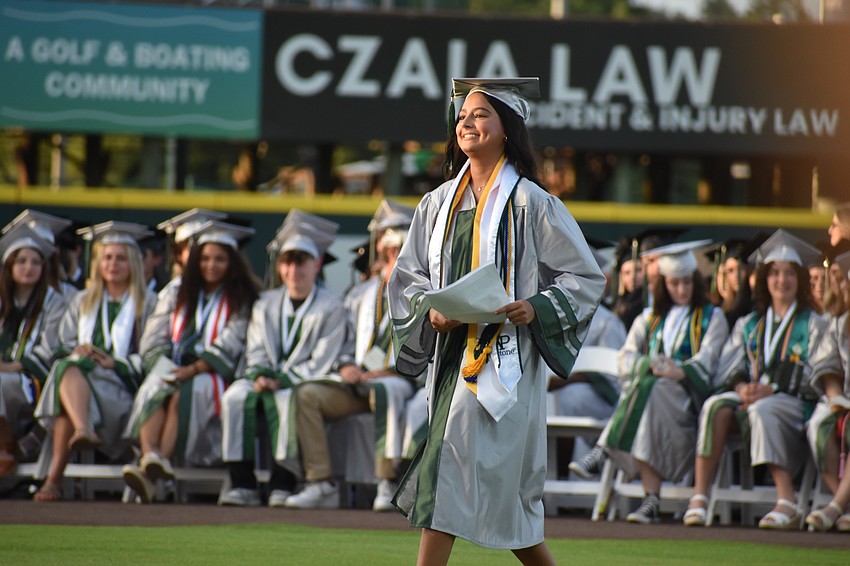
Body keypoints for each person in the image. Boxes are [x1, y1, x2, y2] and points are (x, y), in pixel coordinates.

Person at [388, 77, 605, 564]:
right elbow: (408, 278)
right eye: (462, 115)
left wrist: (537, 306)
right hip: (450, 359)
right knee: (491, 499)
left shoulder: (533, 203)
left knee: (451, 476)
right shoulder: (437, 204)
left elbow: (584, 277)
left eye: (481, 114)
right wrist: (433, 308)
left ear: (507, 128)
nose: (467, 121)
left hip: (505, 362)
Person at [684, 229, 825, 529]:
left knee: (763, 409)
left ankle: (786, 501)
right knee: (714, 405)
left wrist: (770, 388)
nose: (781, 280)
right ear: (764, 279)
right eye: (774, 273)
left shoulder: (814, 324)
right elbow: (728, 367)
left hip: (794, 403)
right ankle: (699, 496)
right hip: (752, 399)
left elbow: (817, 374)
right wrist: (741, 387)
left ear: (800, 280)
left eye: (789, 273)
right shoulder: (751, 325)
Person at [122, 221, 258, 502]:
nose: (211, 265)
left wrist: (193, 369)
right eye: (205, 258)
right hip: (172, 365)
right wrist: (165, 367)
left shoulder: (243, 297)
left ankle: (154, 466)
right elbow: (154, 336)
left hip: (213, 372)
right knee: (154, 387)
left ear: (231, 263)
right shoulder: (176, 291)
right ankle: (152, 459)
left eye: (220, 259)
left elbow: (232, 341)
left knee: (183, 394)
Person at [594, 240, 728, 523]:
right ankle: (650, 500)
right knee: (652, 389)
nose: (681, 290)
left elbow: (708, 361)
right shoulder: (649, 318)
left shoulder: (713, 318)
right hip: (655, 405)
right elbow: (624, 358)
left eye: (686, 283)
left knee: (652, 388)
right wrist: (650, 364)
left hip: (688, 403)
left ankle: (607, 446)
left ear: (696, 282)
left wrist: (678, 370)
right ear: (664, 284)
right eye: (674, 283)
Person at [219, 211, 345, 507]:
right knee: (234, 397)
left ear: (316, 265)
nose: (293, 269)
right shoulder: (266, 303)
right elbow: (256, 348)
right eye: (288, 262)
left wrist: (281, 380)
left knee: (289, 399)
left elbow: (324, 358)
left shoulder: (332, 306)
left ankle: (282, 482)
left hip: (298, 382)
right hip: (263, 378)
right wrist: (260, 374)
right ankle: (242, 483)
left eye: (301, 261)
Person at [294, 222, 420, 512]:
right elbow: (344, 342)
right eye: (391, 251)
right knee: (308, 395)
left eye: (401, 250)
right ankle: (320, 482)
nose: (395, 256)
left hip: (401, 381)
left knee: (384, 389)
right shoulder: (359, 294)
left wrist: (390, 371)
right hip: (356, 381)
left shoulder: (423, 293)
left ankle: (386, 481)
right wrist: (346, 366)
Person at [32, 222, 158, 502]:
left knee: (65, 374)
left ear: (134, 263)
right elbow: (59, 345)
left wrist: (115, 363)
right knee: (67, 365)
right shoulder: (81, 301)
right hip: (82, 385)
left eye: (121, 258)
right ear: (98, 262)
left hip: (124, 392)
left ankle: (56, 476)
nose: (113, 264)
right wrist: (78, 350)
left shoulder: (148, 303)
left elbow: (154, 353)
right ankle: (81, 431)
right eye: (107, 257)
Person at [0, 225, 68, 475]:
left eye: (36, 262)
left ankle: (4, 445)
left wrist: (8, 367)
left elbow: (50, 350)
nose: (29, 267)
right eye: (21, 261)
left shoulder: (54, 303)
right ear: (9, 266)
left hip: (32, 381)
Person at [555, 245, 627, 480]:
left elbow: (614, 377)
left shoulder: (607, 320)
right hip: (554, 389)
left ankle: (564, 475)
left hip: (598, 397)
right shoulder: (556, 313)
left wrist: (573, 377)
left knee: (568, 397)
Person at [804, 249, 850, 531]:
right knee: (819, 424)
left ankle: (835, 507)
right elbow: (828, 363)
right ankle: (843, 503)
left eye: (841, 279)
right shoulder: (839, 322)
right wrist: (835, 397)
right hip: (844, 398)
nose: (839, 286)